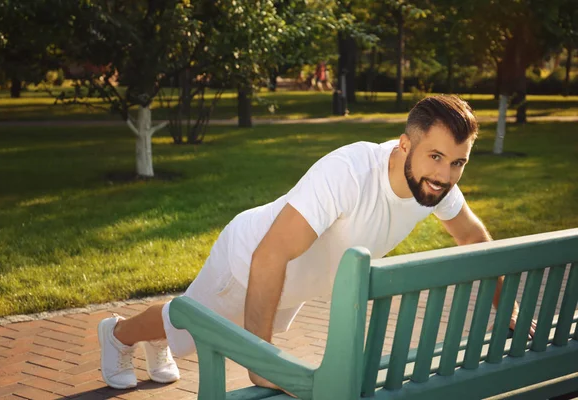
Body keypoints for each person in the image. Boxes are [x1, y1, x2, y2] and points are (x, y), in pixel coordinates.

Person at [97, 95, 535, 391]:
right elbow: (270, 254)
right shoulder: (348, 172)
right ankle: (117, 335)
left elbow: (473, 237)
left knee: (183, 325)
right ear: (405, 145)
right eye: (436, 157)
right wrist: (261, 363)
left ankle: (156, 337)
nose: (445, 174)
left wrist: (509, 309)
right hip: (250, 258)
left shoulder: (436, 186)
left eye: (459, 162)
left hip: (295, 279)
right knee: (189, 323)